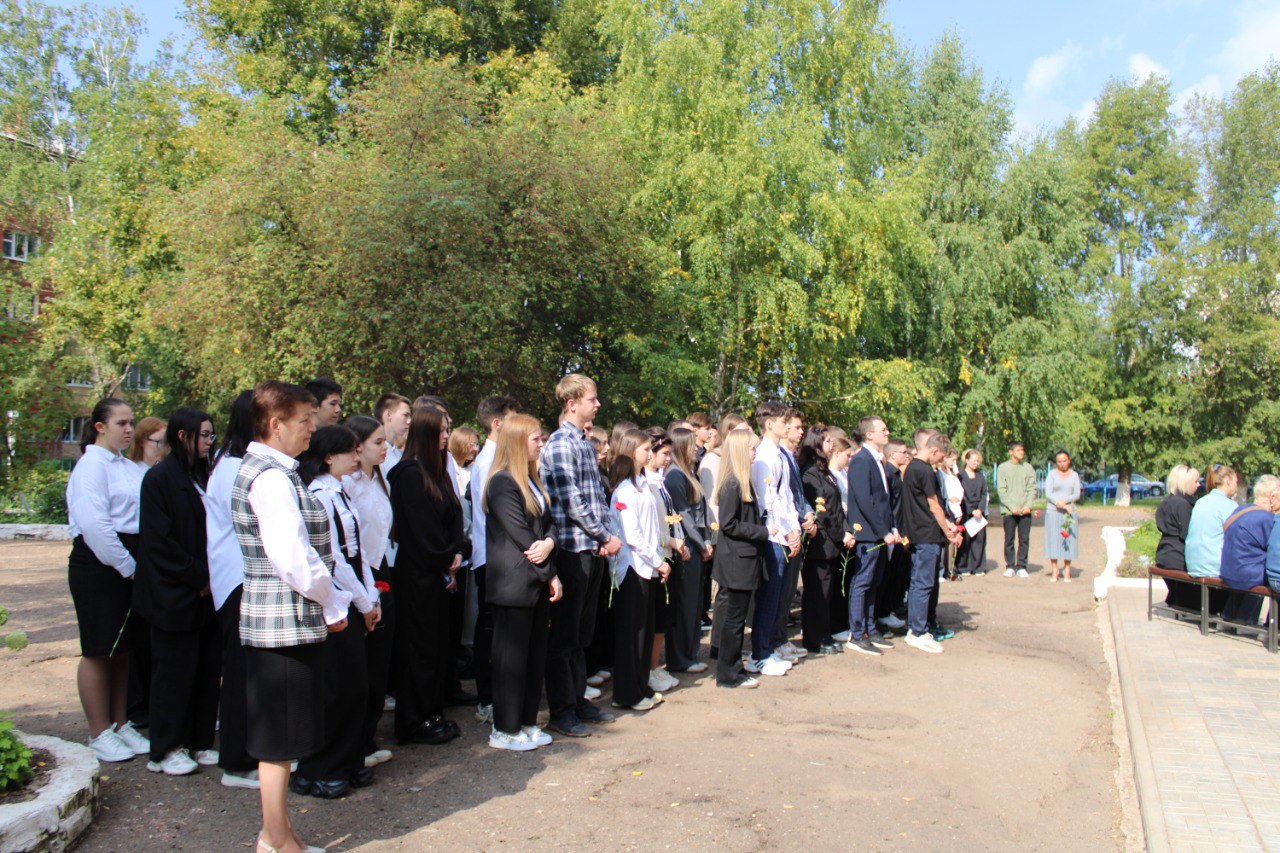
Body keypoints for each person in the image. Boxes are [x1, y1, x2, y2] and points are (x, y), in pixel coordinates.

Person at [231, 380, 352, 853]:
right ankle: (277, 840)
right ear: (275, 424)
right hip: (281, 622)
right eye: (304, 420)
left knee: (282, 738)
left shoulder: (275, 471)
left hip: (282, 619)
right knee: (278, 740)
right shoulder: (271, 477)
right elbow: (293, 558)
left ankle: (279, 835)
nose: (312, 428)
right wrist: (333, 602)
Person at [293, 425, 379, 799]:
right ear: (329, 456)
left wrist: (371, 595)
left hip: (354, 596)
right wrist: (361, 600)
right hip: (336, 602)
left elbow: (358, 552)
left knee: (356, 687)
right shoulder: (319, 495)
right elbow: (334, 558)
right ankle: (319, 768)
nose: (357, 459)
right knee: (337, 689)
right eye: (351, 452)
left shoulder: (339, 491)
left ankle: (349, 759)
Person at [134, 407, 220, 777]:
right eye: (203, 435)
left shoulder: (201, 475)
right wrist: (199, 577)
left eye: (211, 435)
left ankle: (198, 741)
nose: (208, 442)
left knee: (204, 668)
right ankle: (165, 748)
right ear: (183, 436)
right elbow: (159, 544)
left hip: (205, 592)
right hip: (174, 594)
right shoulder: (159, 480)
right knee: (173, 672)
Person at [65, 398, 150, 763]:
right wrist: (128, 567)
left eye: (131, 423)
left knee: (122, 649)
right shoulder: (91, 466)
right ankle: (99, 731)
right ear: (100, 427)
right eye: (122, 423)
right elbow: (95, 525)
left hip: (127, 560)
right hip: (101, 564)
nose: (130, 430)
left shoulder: (125, 466)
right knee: (99, 649)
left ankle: (119, 722)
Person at [541, 375, 621, 737]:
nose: (598, 404)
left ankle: (577, 699)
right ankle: (561, 710)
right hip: (573, 551)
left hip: (592, 549)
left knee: (581, 634)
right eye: (593, 398)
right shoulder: (560, 445)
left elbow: (597, 498)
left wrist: (605, 538)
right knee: (565, 636)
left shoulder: (585, 444)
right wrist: (603, 534)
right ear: (572, 404)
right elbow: (572, 502)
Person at [483, 413, 562, 750]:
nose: (541, 444)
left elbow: (550, 524)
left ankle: (527, 722)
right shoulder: (502, 482)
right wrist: (550, 571)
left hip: (536, 584)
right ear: (517, 442)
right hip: (514, 585)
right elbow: (521, 536)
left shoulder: (532, 480)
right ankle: (505, 729)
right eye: (536, 439)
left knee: (533, 658)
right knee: (510, 662)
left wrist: (551, 544)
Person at [388, 406, 465, 746]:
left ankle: (432, 711)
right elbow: (419, 531)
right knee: (418, 648)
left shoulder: (437, 472)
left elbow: (453, 518)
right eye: (442, 431)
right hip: (418, 575)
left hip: (441, 571)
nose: (447, 437)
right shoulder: (408, 474)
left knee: (436, 646)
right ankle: (414, 719)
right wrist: (444, 561)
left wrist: (457, 554)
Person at [205, 390, 259, 789]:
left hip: (245, 577)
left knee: (251, 672)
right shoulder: (233, 468)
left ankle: (251, 752)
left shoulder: (237, 463)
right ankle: (237, 762)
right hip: (237, 579)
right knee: (240, 672)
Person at [342, 415, 396, 771]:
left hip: (381, 569)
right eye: (378, 442)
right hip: (357, 576)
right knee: (359, 667)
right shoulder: (345, 484)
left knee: (380, 659)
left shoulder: (379, 478)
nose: (385, 447)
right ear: (357, 446)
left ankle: (367, 735)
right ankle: (353, 743)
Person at [607, 430, 671, 710]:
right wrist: (657, 560)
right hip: (632, 568)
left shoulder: (641, 484)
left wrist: (657, 559)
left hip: (648, 567)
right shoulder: (623, 490)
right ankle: (626, 694)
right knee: (632, 634)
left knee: (644, 630)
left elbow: (652, 527)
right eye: (646, 449)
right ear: (633, 452)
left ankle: (640, 685)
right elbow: (632, 535)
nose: (650, 453)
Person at [469, 395, 521, 726]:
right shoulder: (488, 463)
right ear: (497, 424)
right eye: (512, 421)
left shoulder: (500, 459)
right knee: (490, 632)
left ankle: (499, 693)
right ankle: (486, 697)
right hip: (491, 556)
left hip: (500, 556)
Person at [713, 429, 770, 688]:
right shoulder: (732, 483)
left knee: (736, 619)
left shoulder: (741, 481)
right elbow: (728, 524)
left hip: (744, 559)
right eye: (751, 448)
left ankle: (733, 667)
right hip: (737, 561)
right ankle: (728, 674)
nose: (755, 453)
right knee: (734, 620)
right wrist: (762, 531)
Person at [747, 402, 800, 677]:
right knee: (769, 596)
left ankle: (768, 648)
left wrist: (795, 529)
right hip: (772, 533)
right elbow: (767, 500)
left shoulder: (778, 453)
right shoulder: (764, 455)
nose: (787, 425)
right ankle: (759, 654)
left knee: (779, 596)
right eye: (783, 420)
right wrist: (785, 530)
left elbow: (787, 496)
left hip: (784, 532)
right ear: (769, 423)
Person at [900, 433, 962, 654]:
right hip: (926, 535)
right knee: (923, 583)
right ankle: (917, 631)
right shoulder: (924, 470)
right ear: (934, 451)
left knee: (921, 582)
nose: (940, 462)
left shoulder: (912, 469)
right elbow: (934, 505)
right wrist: (947, 530)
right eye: (941, 457)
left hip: (920, 533)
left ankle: (919, 628)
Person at [844, 416, 897, 655]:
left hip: (880, 532)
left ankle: (870, 627)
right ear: (869, 435)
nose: (887, 433)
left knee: (875, 581)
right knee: (862, 581)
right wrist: (883, 531)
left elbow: (884, 499)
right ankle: (857, 632)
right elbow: (865, 501)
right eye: (883, 430)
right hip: (868, 533)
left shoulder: (877, 460)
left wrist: (892, 526)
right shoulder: (861, 461)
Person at [799, 427, 853, 655]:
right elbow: (823, 510)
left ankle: (825, 633)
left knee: (827, 590)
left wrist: (845, 531)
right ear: (816, 444)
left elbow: (837, 507)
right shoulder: (810, 473)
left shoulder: (824, 471)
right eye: (828, 441)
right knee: (816, 592)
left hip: (831, 542)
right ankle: (814, 638)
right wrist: (841, 534)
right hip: (819, 542)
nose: (832, 445)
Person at [665, 428, 711, 674]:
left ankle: (690, 653)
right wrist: (702, 544)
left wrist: (705, 540)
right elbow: (683, 516)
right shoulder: (675, 475)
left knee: (693, 603)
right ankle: (680, 658)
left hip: (696, 545)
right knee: (684, 604)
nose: (696, 448)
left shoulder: (688, 472)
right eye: (692, 444)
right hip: (686, 548)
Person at [773, 409, 815, 662]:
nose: (801, 432)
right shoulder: (777, 456)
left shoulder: (790, 456)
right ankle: (775, 640)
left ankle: (780, 638)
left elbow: (797, 496)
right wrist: (796, 523)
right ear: (785, 427)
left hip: (796, 526)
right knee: (779, 592)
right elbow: (778, 499)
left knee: (787, 592)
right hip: (783, 531)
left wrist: (808, 514)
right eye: (797, 427)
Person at [1217, 475, 1280, 625]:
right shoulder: (1266, 519)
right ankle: (1255, 623)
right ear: (1272, 497)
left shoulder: (1241, 509)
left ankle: (1228, 616)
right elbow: (1273, 550)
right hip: (1246, 576)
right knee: (1271, 575)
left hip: (1227, 571)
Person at [1186, 464, 1241, 615]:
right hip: (1212, 567)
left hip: (1194, 563)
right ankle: (1236, 618)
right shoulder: (1230, 506)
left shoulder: (1201, 501)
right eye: (1236, 482)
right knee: (1252, 576)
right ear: (1228, 481)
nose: (1237, 486)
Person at [1155, 464, 1200, 609]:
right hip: (1177, 558)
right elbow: (1187, 535)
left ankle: (1174, 600)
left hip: (1164, 554)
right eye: (1195, 481)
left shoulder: (1166, 501)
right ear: (1185, 482)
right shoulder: (1182, 505)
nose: (1199, 485)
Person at [997, 442, 1036, 578]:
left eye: (1022, 450)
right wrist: (1011, 506)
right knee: (1009, 539)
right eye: (1018, 450)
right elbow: (1002, 490)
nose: (1021, 452)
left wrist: (1028, 506)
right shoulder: (1003, 468)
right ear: (1011, 452)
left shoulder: (1028, 468)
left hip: (1025, 510)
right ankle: (1010, 565)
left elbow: (1032, 488)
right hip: (1009, 511)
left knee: (1024, 539)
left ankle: (1021, 566)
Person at [1044, 451, 1082, 582]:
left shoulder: (1074, 475)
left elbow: (1076, 494)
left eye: (1064, 461)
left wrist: (1065, 502)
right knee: (1053, 539)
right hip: (1053, 511)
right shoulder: (1052, 474)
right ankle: (1055, 569)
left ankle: (1067, 569)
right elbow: (1048, 493)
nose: (1062, 464)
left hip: (1069, 511)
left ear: (1069, 460)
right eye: (1059, 461)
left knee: (1069, 540)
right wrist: (1058, 503)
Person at [956, 450, 988, 576]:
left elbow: (984, 494)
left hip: (979, 513)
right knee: (965, 542)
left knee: (980, 541)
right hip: (966, 512)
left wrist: (980, 509)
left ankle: (979, 567)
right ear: (967, 460)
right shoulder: (960, 475)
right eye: (974, 460)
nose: (976, 463)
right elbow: (960, 495)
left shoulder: (981, 475)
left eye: (977, 460)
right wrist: (970, 510)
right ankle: (964, 567)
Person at [374, 393, 412, 476]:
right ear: (388, 415)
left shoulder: (398, 453)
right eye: (405, 415)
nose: (409, 421)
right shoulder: (375, 455)